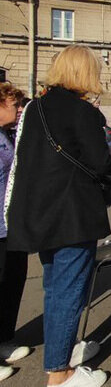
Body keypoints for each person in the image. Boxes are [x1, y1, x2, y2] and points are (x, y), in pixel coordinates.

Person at [6, 45, 111, 387]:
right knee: (69, 291)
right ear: (84, 73)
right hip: (73, 214)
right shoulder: (82, 112)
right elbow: (100, 163)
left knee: (55, 288)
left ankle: (64, 350)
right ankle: (59, 373)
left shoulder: (33, 108)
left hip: (41, 213)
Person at [0, 84, 28, 382]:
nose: (19, 109)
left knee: (12, 283)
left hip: (11, 226)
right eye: (14, 104)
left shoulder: (9, 135)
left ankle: (4, 338)